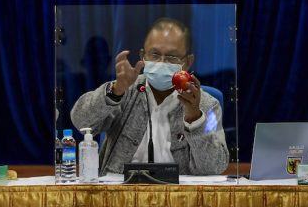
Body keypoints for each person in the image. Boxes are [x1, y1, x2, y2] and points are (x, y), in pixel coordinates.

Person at [70, 17, 229, 175]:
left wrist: (195, 119)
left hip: (178, 196)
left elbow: (214, 167)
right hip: (121, 194)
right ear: (142, 56)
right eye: (154, 54)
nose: (161, 62)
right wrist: (115, 92)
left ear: (187, 62)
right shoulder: (123, 90)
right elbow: (81, 120)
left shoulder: (208, 106)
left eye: (171, 57)